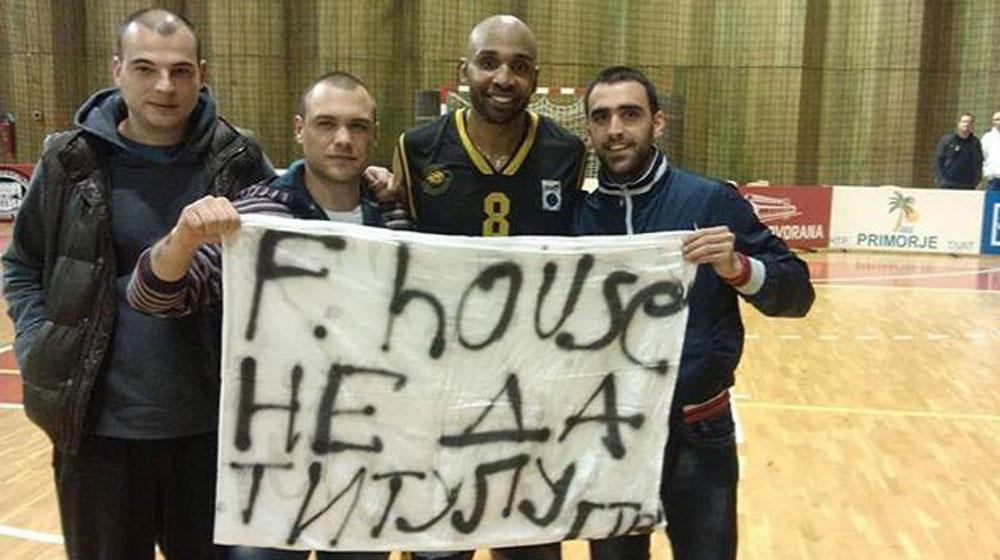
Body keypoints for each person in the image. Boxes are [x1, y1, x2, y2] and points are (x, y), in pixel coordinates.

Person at [2, 8, 273, 559]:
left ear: (201, 74)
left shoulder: (239, 159)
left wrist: (370, 186)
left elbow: (292, 240)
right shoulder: (69, 160)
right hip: (97, 431)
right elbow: (23, 265)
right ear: (117, 70)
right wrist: (38, 345)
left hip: (211, 434)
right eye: (146, 68)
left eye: (180, 71)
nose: (165, 86)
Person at [127, 71, 396, 560]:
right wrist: (183, 238)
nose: (343, 139)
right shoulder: (255, 217)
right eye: (327, 123)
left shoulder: (394, 221)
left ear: (373, 134)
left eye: (357, 126)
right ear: (299, 129)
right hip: (270, 470)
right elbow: (151, 297)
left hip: (365, 465)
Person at [574, 66, 815, 560]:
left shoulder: (710, 201)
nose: (615, 128)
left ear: (657, 123)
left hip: (698, 432)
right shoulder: (577, 219)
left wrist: (737, 267)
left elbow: (797, 293)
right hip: (610, 433)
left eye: (630, 114)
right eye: (601, 117)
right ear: (590, 130)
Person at [385, 13, 587, 560]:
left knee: (531, 548)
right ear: (463, 71)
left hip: (531, 393)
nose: (503, 78)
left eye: (519, 67)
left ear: (536, 78)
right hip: (442, 391)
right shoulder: (417, 147)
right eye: (489, 62)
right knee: (438, 547)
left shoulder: (566, 152)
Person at [934, 113, 983, 189]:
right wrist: (940, 179)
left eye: (970, 122)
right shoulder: (947, 140)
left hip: (968, 184)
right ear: (958, 123)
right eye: (964, 121)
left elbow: (979, 162)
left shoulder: (975, 142)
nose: (967, 124)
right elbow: (938, 160)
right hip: (948, 183)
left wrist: (976, 180)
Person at [980, 111, 1000, 191]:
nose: (998, 122)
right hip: (994, 178)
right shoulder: (987, 137)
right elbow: (982, 156)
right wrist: (986, 172)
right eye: (996, 119)